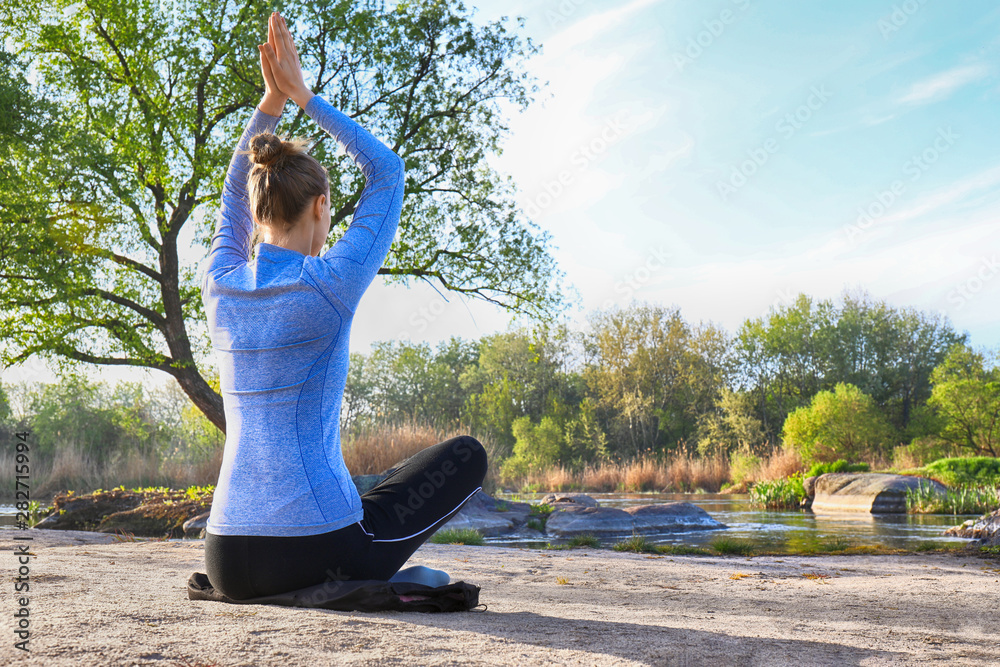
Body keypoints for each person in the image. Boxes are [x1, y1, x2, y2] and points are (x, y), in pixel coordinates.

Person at [200, 12, 487, 601]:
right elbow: (387, 172)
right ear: (322, 208)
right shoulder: (330, 282)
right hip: (313, 550)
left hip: (226, 552)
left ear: (257, 217)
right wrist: (304, 97)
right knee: (466, 457)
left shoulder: (220, 283)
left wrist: (269, 103)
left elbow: (232, 191)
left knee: (365, 485)